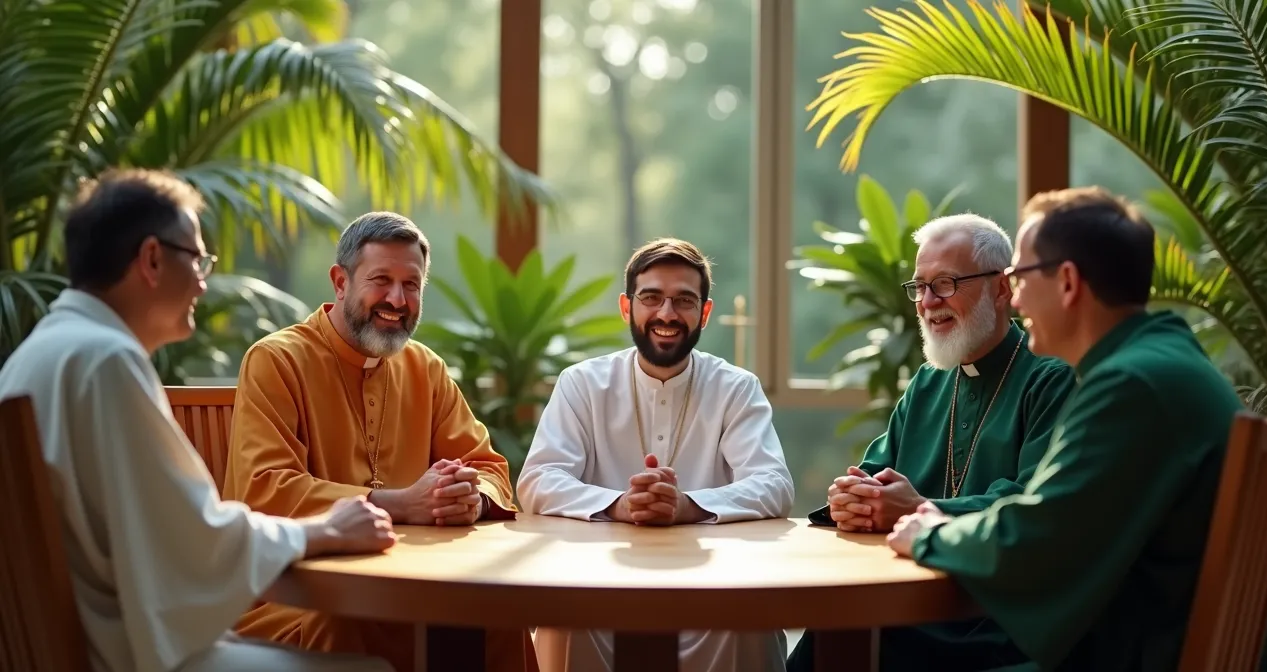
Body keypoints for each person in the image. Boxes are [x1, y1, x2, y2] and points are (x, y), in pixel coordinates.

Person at [886, 186, 1267, 671]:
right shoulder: (1163, 359)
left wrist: (931, 534)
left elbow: (1039, 537)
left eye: (1021, 277)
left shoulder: (1131, 385)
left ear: (1067, 282)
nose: (1016, 299)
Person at [0, 169, 398, 671]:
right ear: (151, 259)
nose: (204, 283)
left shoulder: (40, 355)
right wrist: (322, 530)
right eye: (196, 259)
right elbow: (195, 540)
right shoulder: (104, 361)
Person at [221, 211, 531, 672]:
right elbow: (265, 489)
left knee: (499, 619)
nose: (397, 299)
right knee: (351, 624)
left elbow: (487, 468)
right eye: (380, 280)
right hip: (292, 594)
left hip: (414, 585)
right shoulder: (276, 360)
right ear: (340, 282)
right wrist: (401, 503)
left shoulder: (424, 367)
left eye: (412, 285)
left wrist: (469, 498)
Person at [786, 214, 1075, 672]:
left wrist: (919, 508)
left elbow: (1036, 506)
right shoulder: (928, 382)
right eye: (919, 286)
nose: (927, 302)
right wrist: (851, 498)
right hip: (908, 602)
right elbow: (876, 474)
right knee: (831, 634)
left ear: (1001, 289)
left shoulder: (1049, 379)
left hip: (989, 619)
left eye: (944, 284)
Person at [517, 238, 795, 672]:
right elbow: (537, 479)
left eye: (684, 300)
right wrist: (619, 505)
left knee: (749, 626)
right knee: (564, 623)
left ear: (704, 312)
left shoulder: (735, 388)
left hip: (713, 588)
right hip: (597, 584)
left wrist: (689, 506)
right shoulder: (583, 384)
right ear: (627, 308)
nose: (667, 314)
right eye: (652, 298)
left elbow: (774, 484)